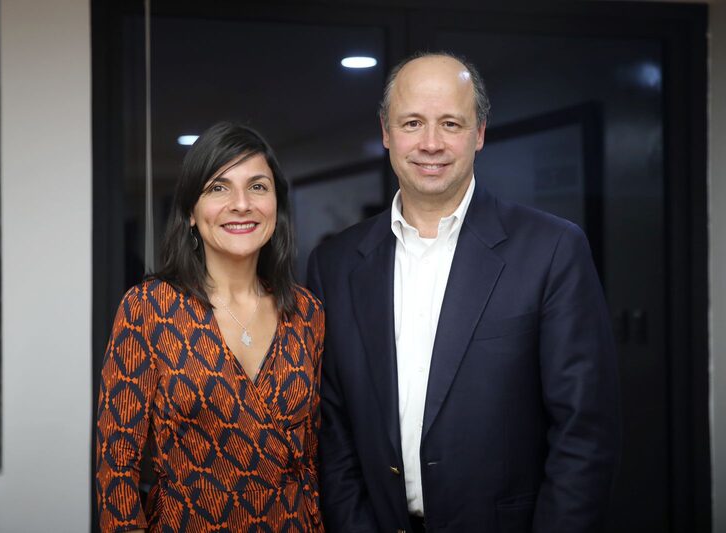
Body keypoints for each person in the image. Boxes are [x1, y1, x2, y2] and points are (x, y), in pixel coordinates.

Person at [307, 52, 620, 532]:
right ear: (387, 132)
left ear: (479, 133)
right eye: (412, 123)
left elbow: (584, 434)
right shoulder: (336, 264)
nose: (430, 143)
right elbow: (333, 431)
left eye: (450, 123)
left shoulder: (552, 250)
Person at [96, 122, 325, 532]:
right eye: (219, 188)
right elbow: (116, 466)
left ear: (276, 205)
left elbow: (319, 456)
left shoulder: (307, 312)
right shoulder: (148, 308)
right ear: (190, 212)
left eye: (258, 187)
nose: (242, 204)